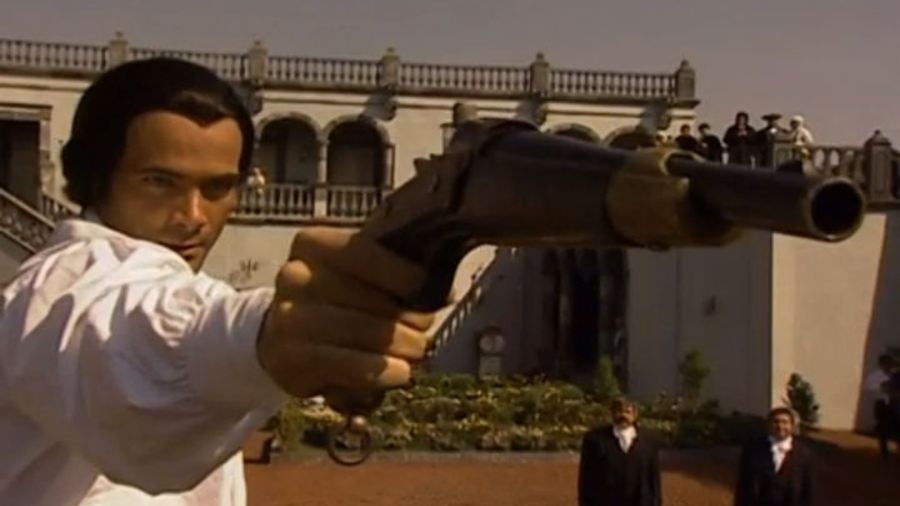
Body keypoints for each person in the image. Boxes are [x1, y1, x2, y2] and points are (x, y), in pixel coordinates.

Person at [0, 58, 434, 505]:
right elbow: (130, 340)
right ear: (95, 178)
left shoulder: (170, 283)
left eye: (217, 188)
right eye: (159, 182)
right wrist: (261, 335)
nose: (192, 216)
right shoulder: (61, 287)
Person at [578, 397, 662, 506]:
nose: (623, 415)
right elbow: (586, 477)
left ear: (635, 414)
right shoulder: (594, 440)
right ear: (612, 413)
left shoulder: (649, 441)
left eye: (627, 412)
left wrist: (656, 502)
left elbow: (654, 477)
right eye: (619, 411)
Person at [734, 407, 815, 506]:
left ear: (792, 426)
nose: (780, 426)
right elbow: (743, 485)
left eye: (785, 422)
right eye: (776, 422)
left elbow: (808, 490)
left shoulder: (804, 454)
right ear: (769, 424)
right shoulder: (753, 450)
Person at [864, 354, 900, 457]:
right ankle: (883, 451)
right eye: (886, 363)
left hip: (893, 403)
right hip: (881, 403)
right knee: (883, 427)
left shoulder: (894, 375)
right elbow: (869, 389)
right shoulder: (875, 376)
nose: (888, 365)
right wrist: (882, 389)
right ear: (881, 364)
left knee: (896, 426)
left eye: (890, 363)